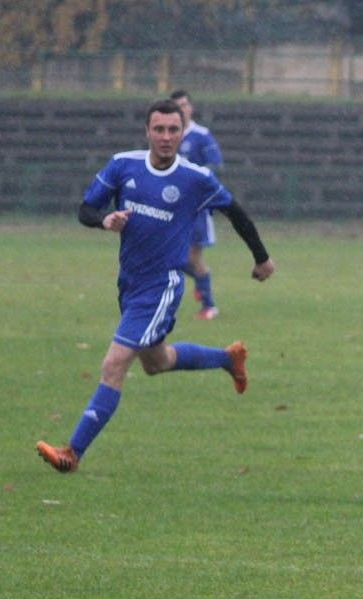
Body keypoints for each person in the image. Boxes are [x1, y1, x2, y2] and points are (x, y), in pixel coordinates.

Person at [36, 99, 275, 473]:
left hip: (161, 287)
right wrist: (104, 220)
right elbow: (85, 209)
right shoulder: (123, 165)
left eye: (173, 130)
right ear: (147, 131)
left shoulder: (196, 179)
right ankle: (227, 359)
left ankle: (72, 452)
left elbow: (235, 212)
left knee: (114, 364)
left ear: (183, 133)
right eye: (159, 129)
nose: (166, 137)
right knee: (156, 362)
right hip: (130, 284)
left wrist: (262, 258)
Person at [171, 89, 225, 320]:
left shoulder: (201, 135)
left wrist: (196, 183)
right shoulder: (168, 135)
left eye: (184, 104)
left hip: (196, 209)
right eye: (176, 106)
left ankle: (209, 306)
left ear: (191, 108)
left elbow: (216, 165)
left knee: (193, 257)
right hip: (171, 207)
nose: (181, 109)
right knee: (171, 257)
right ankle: (201, 283)